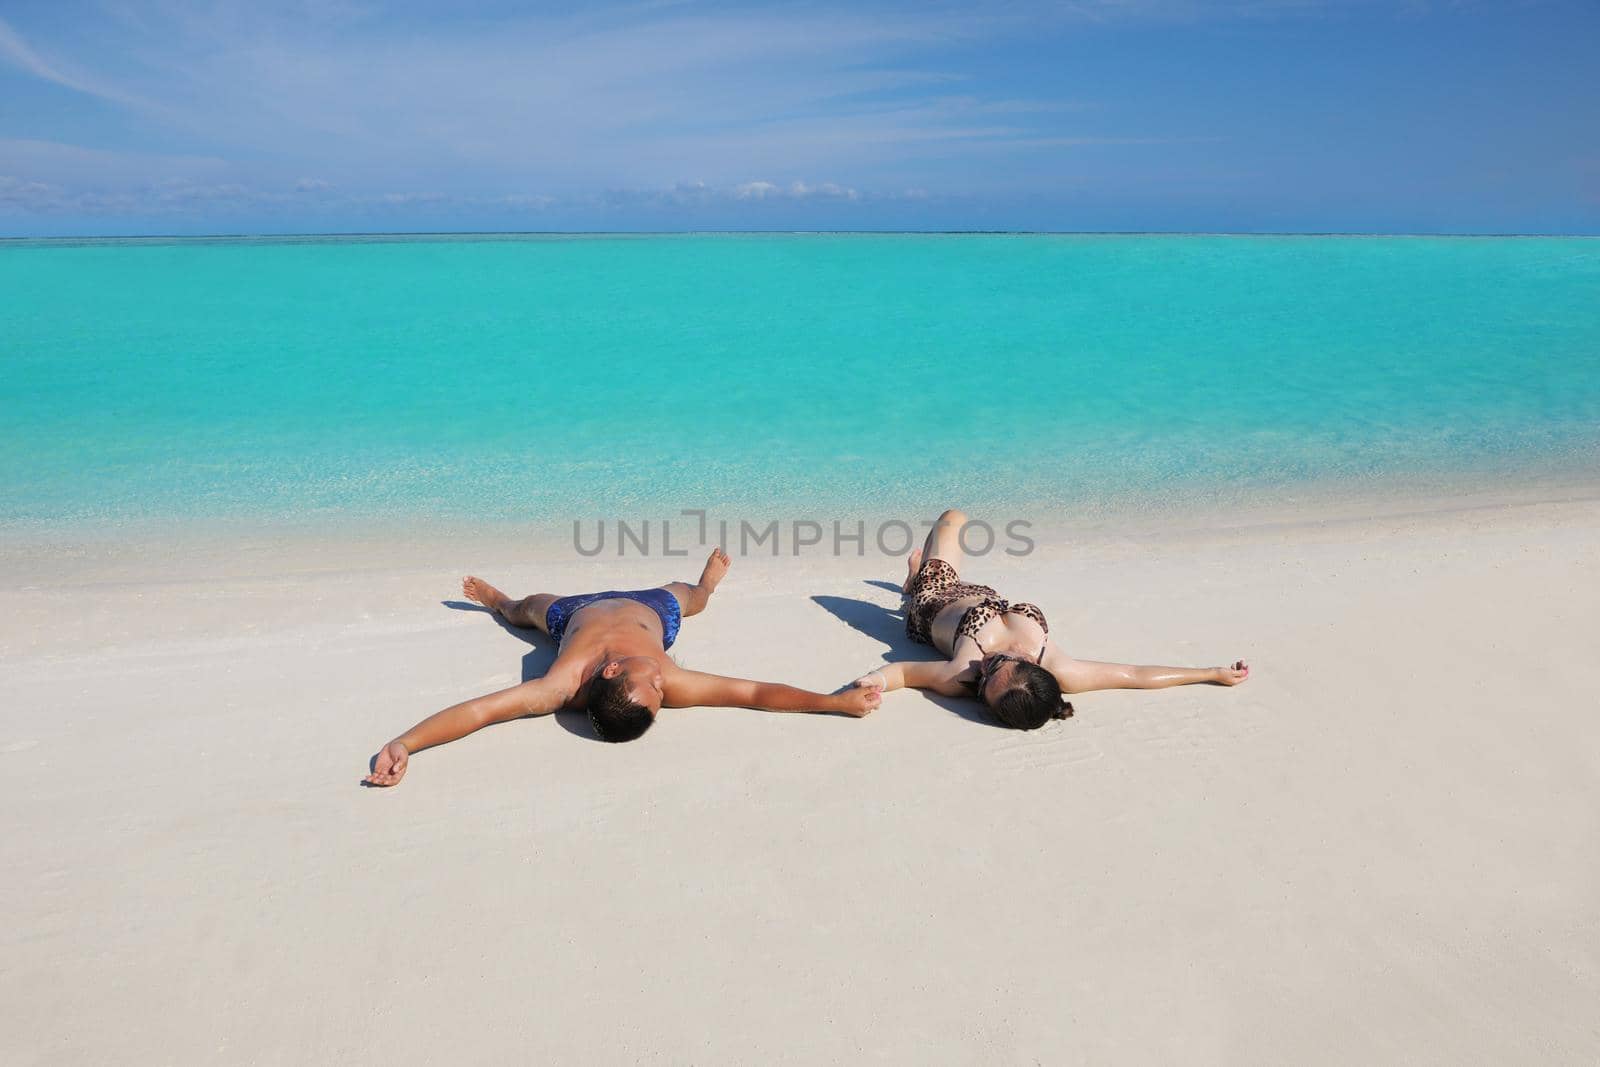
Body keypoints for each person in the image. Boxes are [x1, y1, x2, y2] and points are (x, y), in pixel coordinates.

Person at [365, 548, 878, 786]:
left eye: (653, 682)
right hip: (650, 608)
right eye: (659, 684)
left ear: (609, 674)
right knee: (692, 601)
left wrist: (405, 742)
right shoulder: (666, 679)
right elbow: (753, 693)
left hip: (574, 613)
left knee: (527, 612)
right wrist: (832, 703)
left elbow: (481, 712)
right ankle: (706, 587)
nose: (665, 676)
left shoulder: (558, 686)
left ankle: (500, 600)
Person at [848, 509, 1249, 729]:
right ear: (1031, 666)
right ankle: (913, 573)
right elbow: (1133, 674)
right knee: (957, 519)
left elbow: (900, 672)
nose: (983, 667)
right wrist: (1209, 672)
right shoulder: (1062, 668)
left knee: (952, 518)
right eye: (999, 665)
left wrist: (875, 681)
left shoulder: (959, 677)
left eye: (984, 681)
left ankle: (914, 581)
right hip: (983, 595)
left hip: (935, 599)